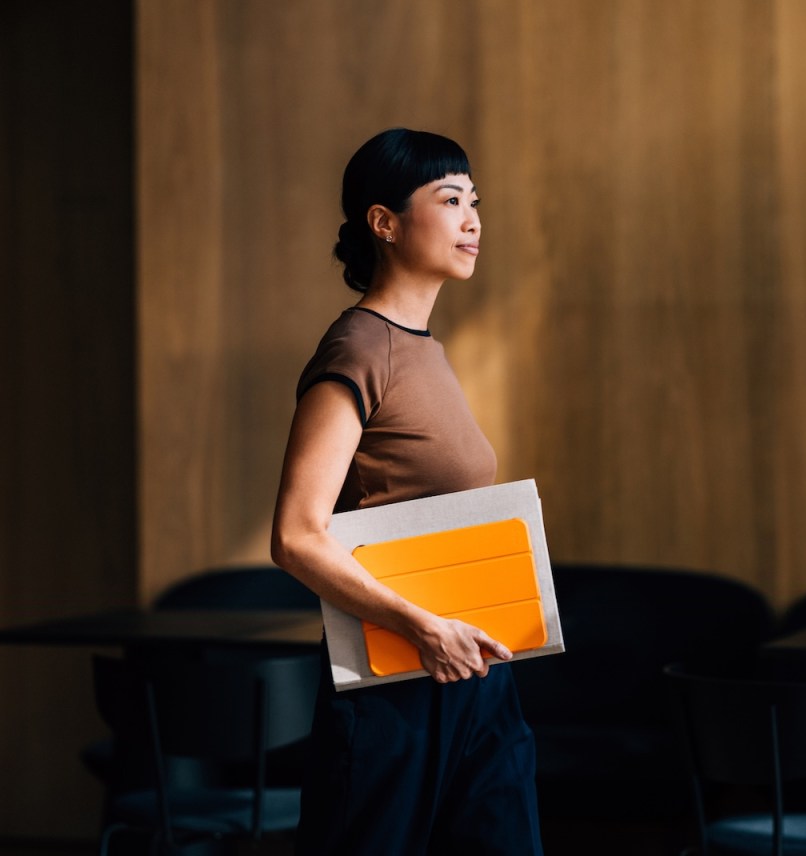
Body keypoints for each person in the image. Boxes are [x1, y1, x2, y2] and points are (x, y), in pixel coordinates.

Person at [270, 128, 543, 855]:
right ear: (383, 223)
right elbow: (296, 537)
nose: (472, 220)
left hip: (475, 676)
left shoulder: (423, 349)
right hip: (395, 687)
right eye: (449, 199)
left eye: (475, 202)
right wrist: (424, 628)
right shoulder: (358, 350)